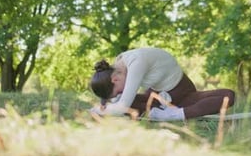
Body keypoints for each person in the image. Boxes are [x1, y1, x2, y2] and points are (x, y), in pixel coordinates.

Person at [89, 47, 235, 121]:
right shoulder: (119, 66)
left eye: (118, 91)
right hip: (156, 96)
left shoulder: (135, 63)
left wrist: (99, 111)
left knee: (229, 96)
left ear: (114, 80)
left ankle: (174, 114)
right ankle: (160, 113)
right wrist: (107, 105)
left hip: (181, 92)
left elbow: (122, 106)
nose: (121, 93)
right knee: (126, 103)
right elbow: (119, 102)